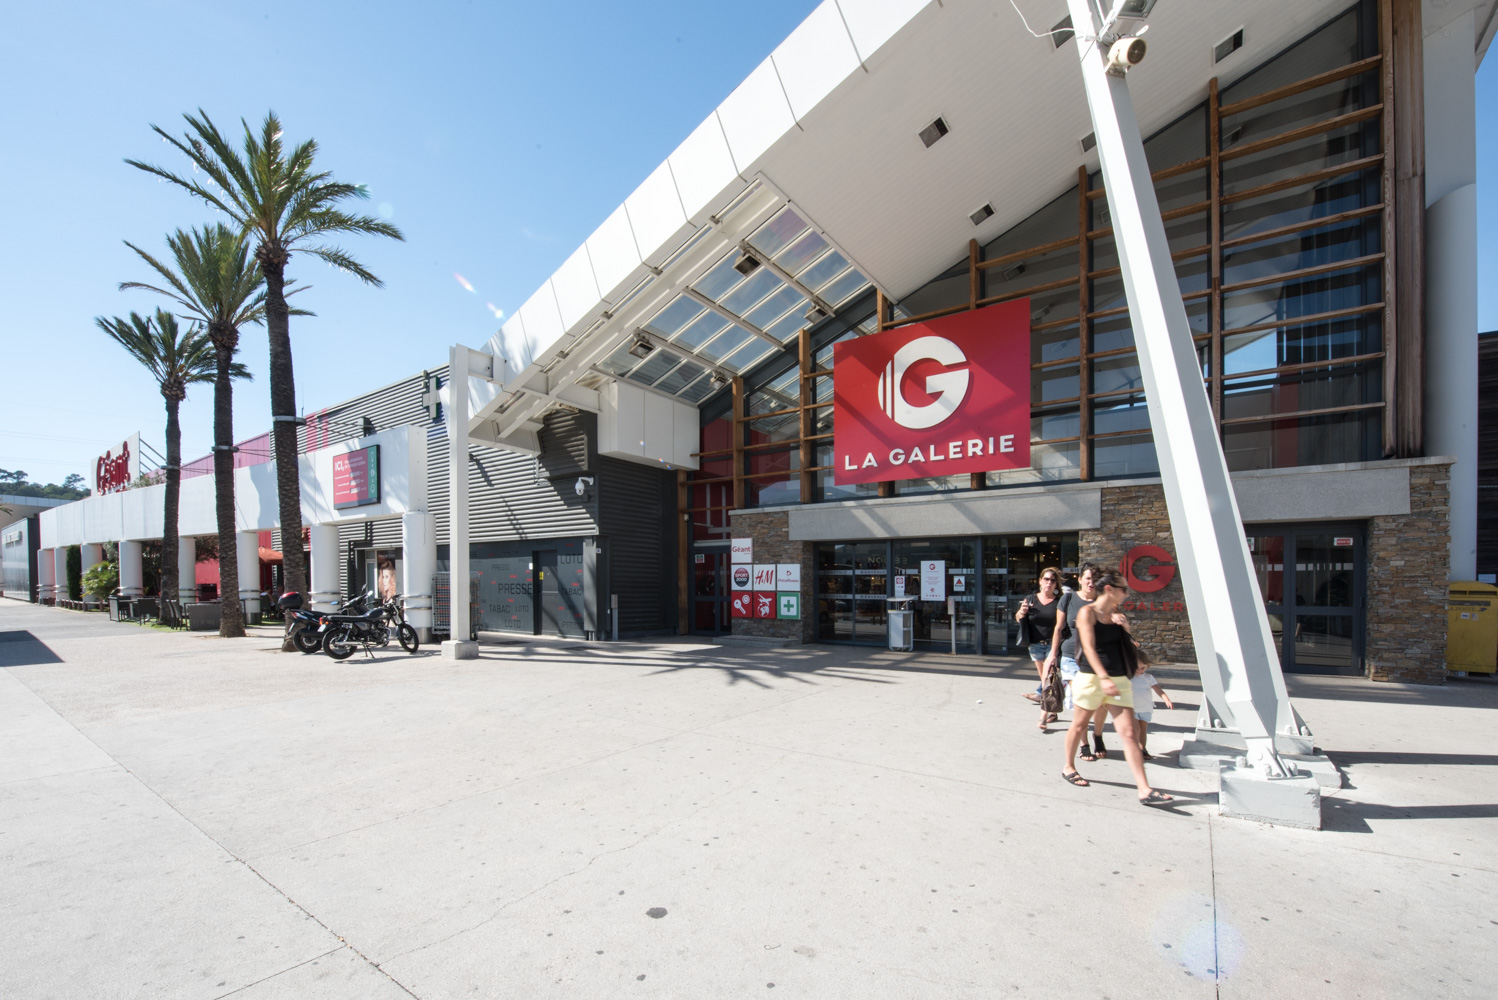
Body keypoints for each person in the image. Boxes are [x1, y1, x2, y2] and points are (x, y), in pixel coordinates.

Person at [1060, 569, 1172, 805]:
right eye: (1123, 588)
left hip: (1119, 678)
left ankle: (1144, 789)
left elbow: (1128, 644)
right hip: (1092, 679)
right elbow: (1088, 648)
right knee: (1080, 725)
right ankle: (1069, 766)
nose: (1127, 593)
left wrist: (1126, 628)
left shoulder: (1116, 611)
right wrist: (1103, 677)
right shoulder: (1086, 612)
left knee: (1129, 733)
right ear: (1109, 589)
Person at [1049, 564, 1108, 761]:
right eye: (1088, 578)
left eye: (1095, 579)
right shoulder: (1068, 599)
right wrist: (1052, 655)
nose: (1091, 583)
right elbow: (1058, 628)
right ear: (1080, 579)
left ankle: (1097, 734)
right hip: (1071, 657)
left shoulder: (1104, 601)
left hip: (1098, 658)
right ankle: (1084, 744)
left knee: (1100, 704)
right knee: (1081, 700)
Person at [1015, 567, 1064, 730]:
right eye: (1046, 579)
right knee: (1047, 681)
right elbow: (1018, 617)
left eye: (1052, 580)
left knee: (1046, 681)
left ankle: (1042, 717)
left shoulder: (1060, 601)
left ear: (1056, 583)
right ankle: (1052, 710)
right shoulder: (1031, 599)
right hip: (1036, 646)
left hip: (1053, 645)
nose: (1049, 583)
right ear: (1040, 581)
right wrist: (1022, 612)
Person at [1130, 661, 1173, 760]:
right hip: (1132, 709)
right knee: (1135, 730)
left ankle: (1143, 748)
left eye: (1143, 668)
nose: (1140, 670)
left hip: (1146, 709)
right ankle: (1134, 750)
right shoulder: (1128, 677)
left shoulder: (1148, 678)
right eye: (1137, 667)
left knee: (1143, 731)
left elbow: (1158, 689)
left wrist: (1166, 699)